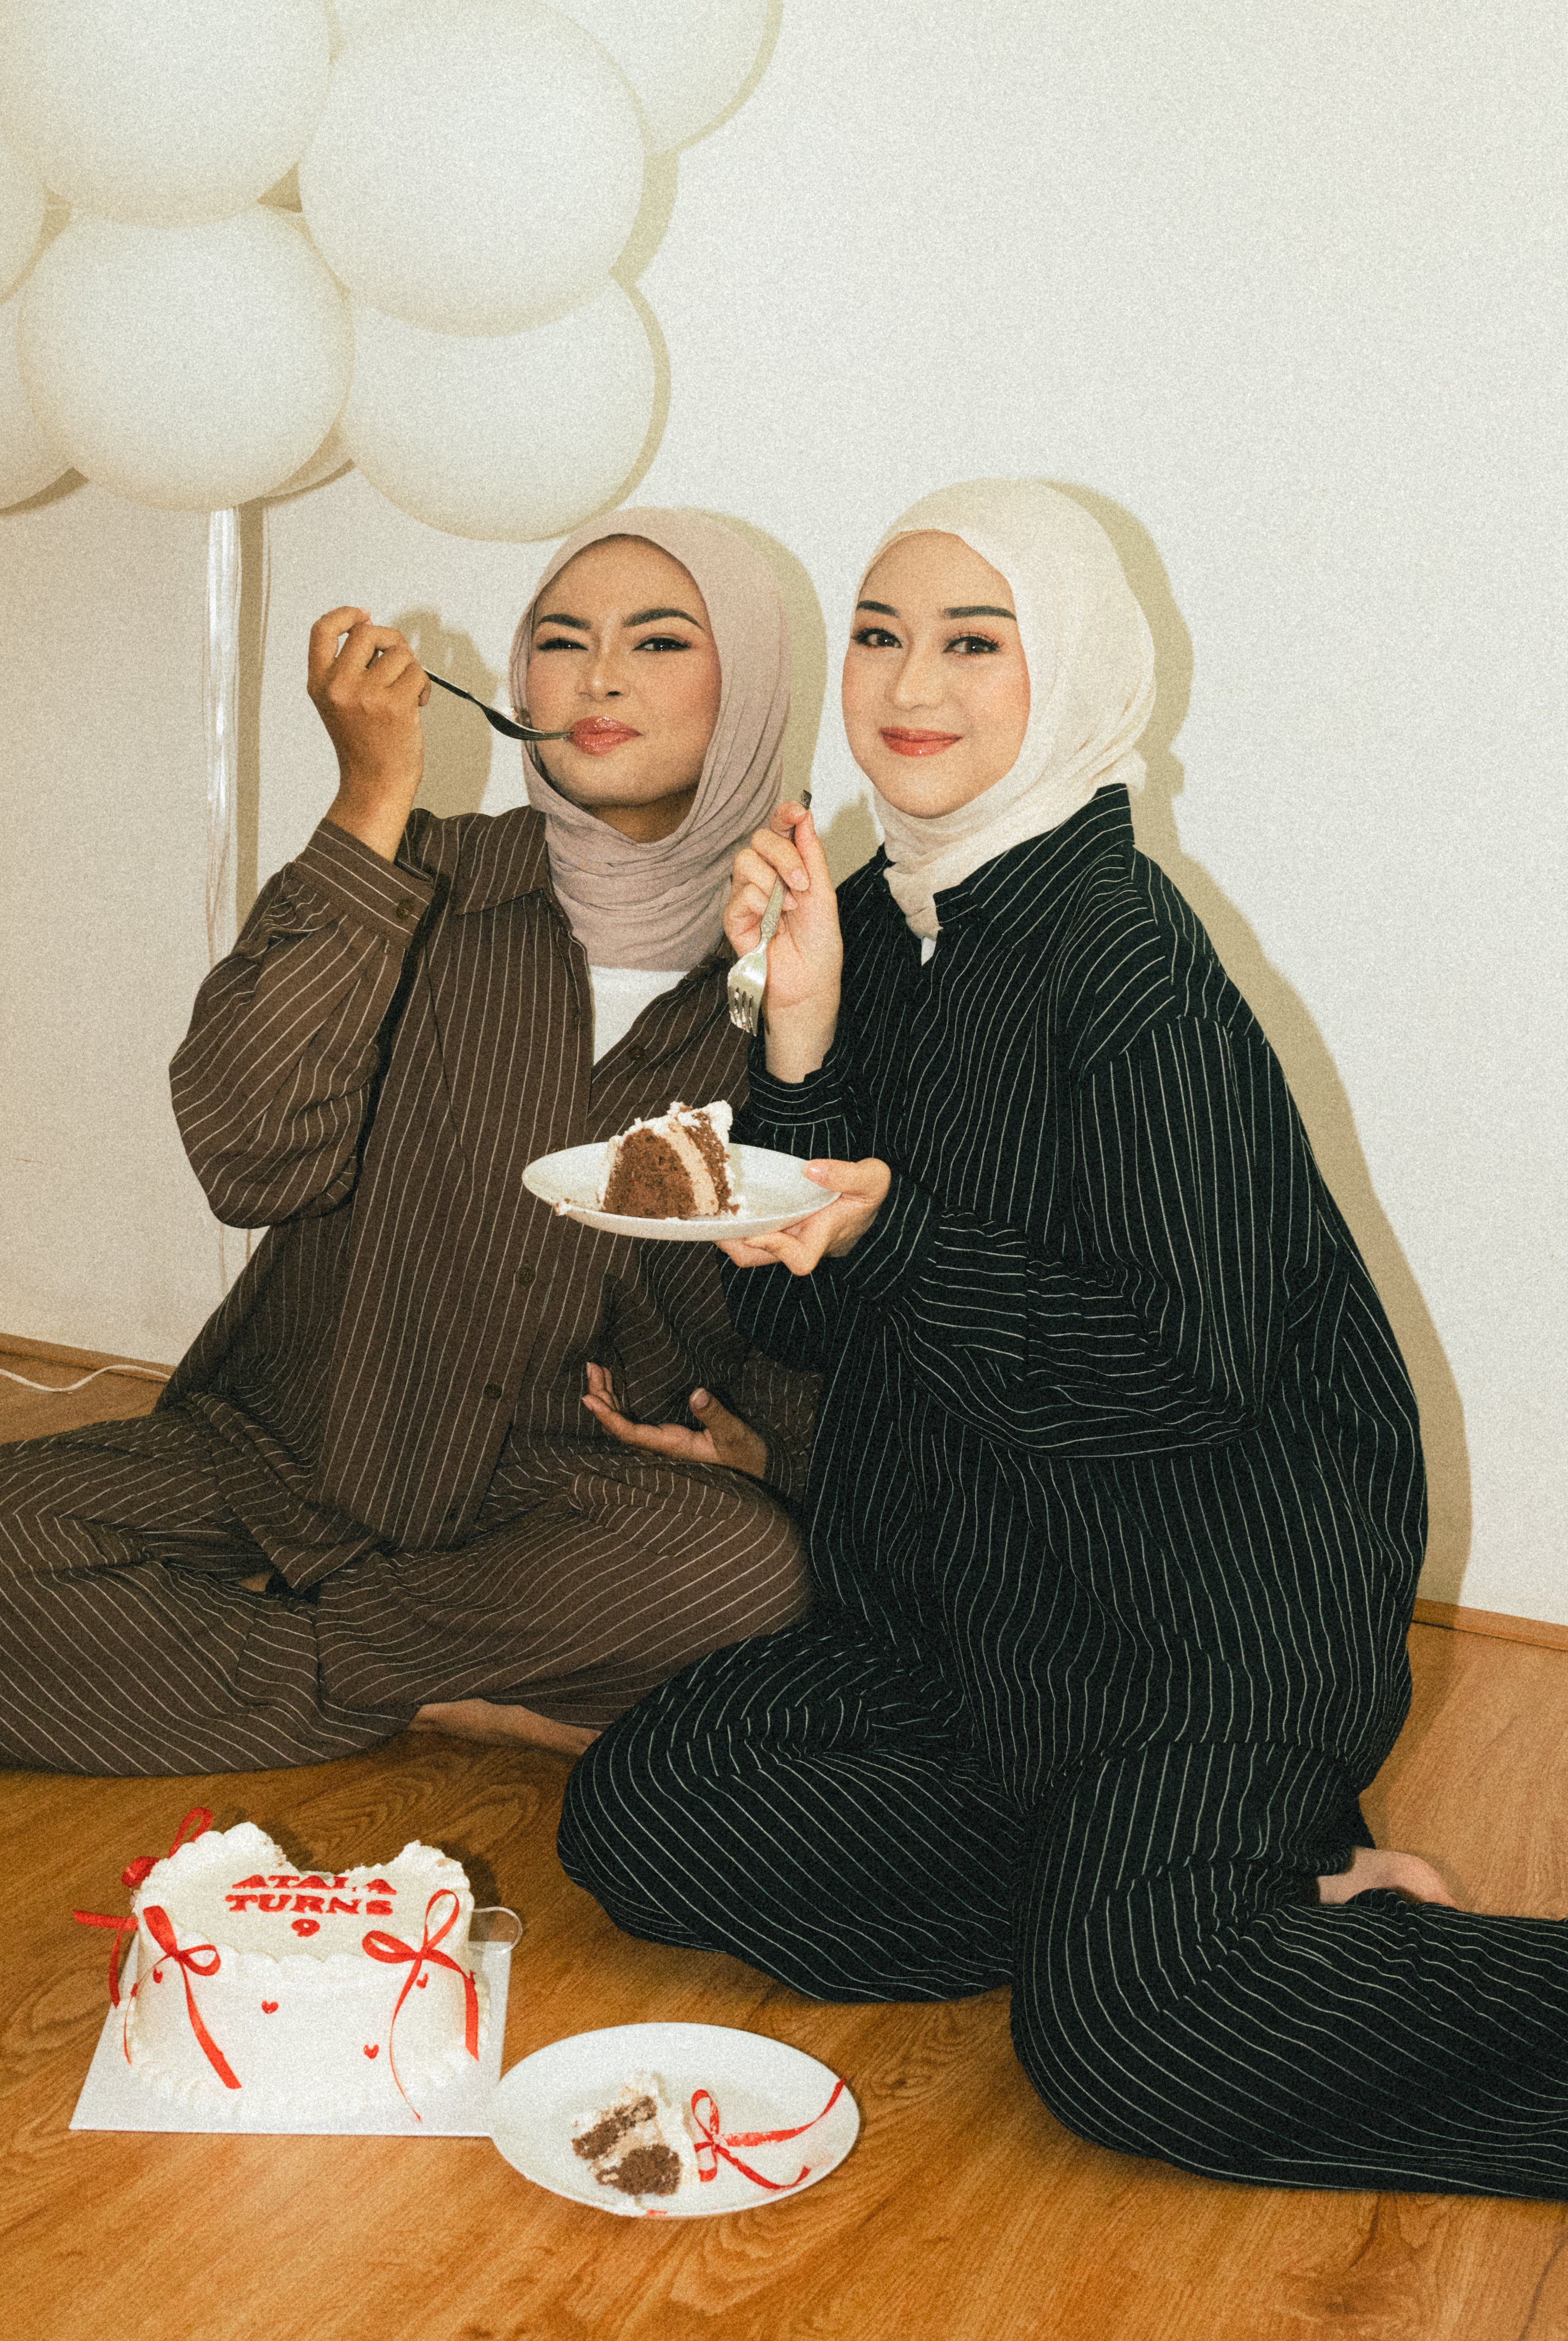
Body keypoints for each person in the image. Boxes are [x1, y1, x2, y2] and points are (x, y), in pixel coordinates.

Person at [561, 480, 1568, 2201]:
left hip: (1188, 1639)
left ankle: (1192, 1915)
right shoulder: (871, 923)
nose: (906, 682)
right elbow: (778, 1308)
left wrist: (899, 1231)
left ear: (1075, 671)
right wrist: (794, 1038)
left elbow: (1179, 1377)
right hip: (969, 1632)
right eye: (877, 634)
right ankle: (1212, 1911)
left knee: (1119, 2042)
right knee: (647, 1804)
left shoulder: (1132, 967)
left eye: (971, 639)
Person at [0, 509, 817, 1776]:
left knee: (747, 1575)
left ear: (753, 686)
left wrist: (765, 1448)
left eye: (660, 642)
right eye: (562, 641)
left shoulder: (804, 966)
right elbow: (249, 1158)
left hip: (557, 1499)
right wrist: (372, 796)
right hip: (292, 1450)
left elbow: (828, 1292)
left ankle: (273, 1668)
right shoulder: (411, 872)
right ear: (518, 680)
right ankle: (442, 1690)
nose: (600, 676)